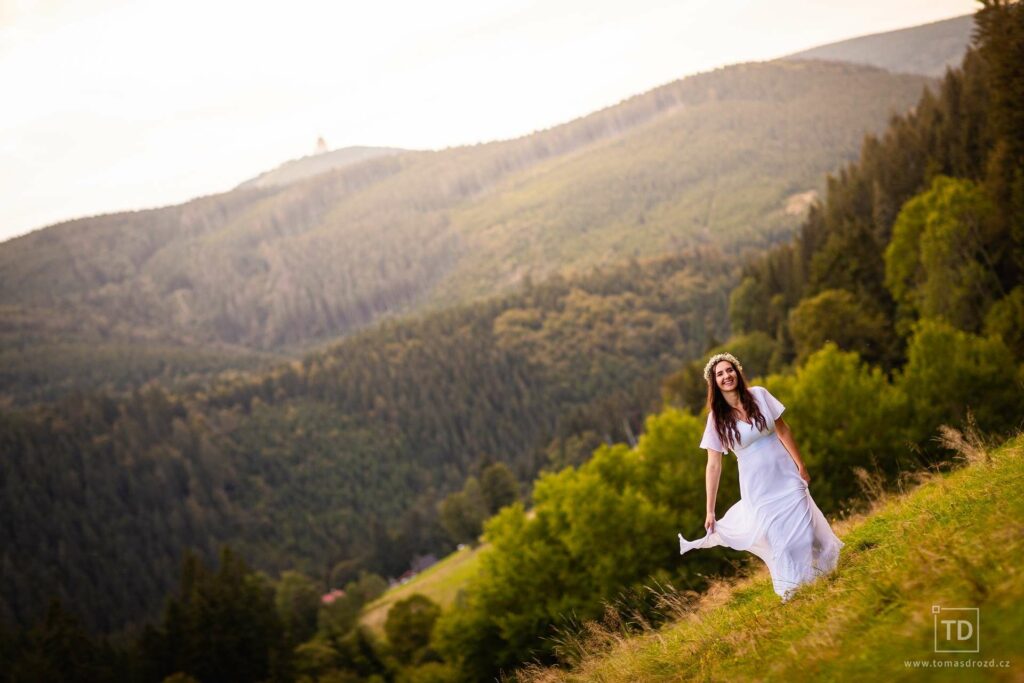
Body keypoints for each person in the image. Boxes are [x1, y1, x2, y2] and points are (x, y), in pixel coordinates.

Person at [678, 352, 843, 602]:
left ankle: (825, 575)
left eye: (729, 370)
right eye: (719, 374)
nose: (726, 376)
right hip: (758, 488)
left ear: (737, 372)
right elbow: (713, 466)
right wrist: (709, 510)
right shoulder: (716, 420)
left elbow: (783, 429)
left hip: (786, 475)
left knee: (808, 531)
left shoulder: (760, 395)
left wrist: (801, 464)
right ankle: (795, 590)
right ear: (714, 383)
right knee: (784, 543)